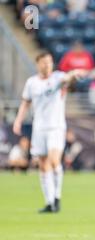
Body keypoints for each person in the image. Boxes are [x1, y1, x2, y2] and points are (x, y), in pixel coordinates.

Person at [13, 51, 88, 213]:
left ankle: (57, 198)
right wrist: (18, 120)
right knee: (42, 164)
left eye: (50, 62)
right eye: (44, 62)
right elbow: (26, 103)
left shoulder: (57, 78)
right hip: (39, 127)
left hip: (56, 127)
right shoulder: (31, 83)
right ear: (38, 64)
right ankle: (49, 202)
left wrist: (75, 73)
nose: (47, 65)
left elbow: (68, 78)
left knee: (55, 161)